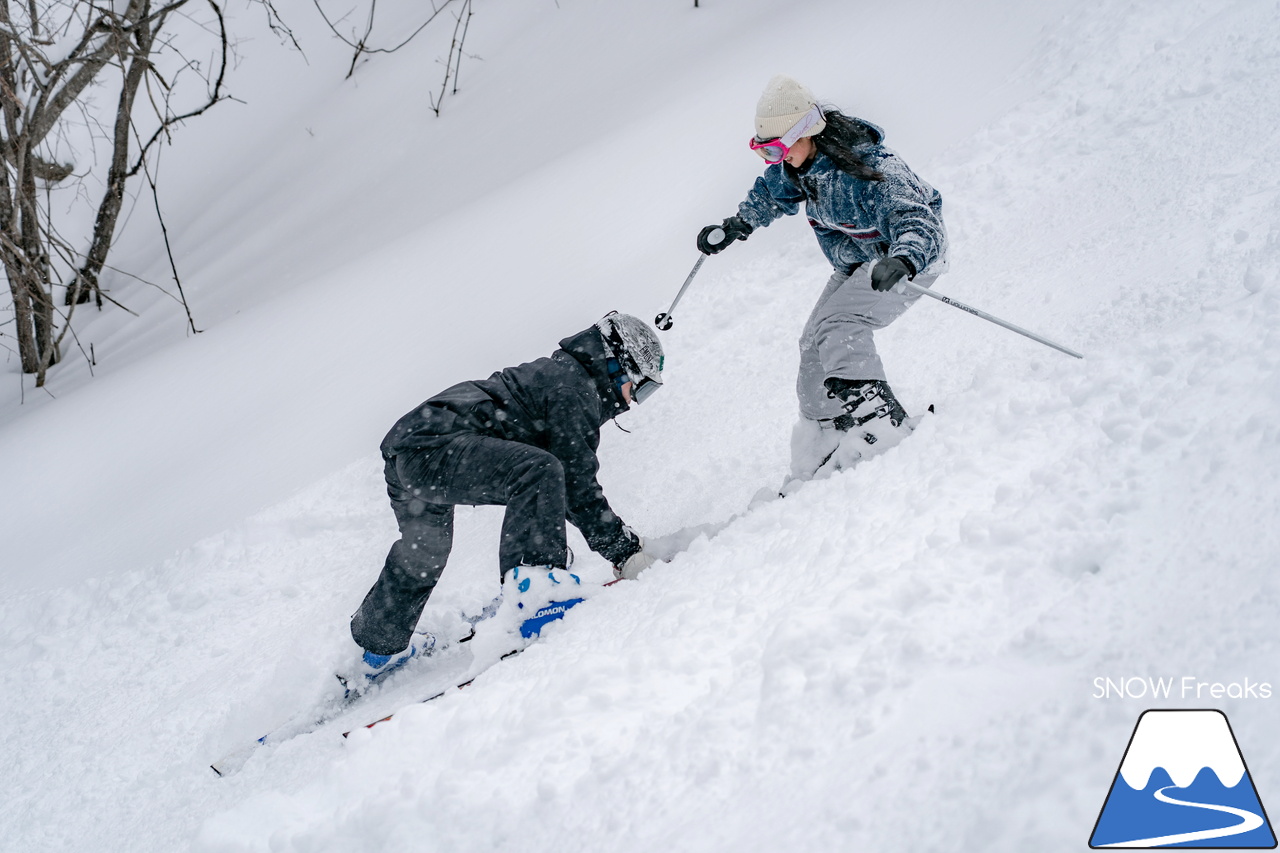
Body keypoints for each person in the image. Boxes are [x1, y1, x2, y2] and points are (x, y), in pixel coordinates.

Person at [348, 312, 663, 683]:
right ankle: (535, 594)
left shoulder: (561, 376)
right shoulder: (574, 389)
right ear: (617, 364)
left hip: (409, 452)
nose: (635, 402)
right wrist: (625, 553)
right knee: (540, 470)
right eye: (641, 389)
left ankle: (378, 648)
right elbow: (577, 487)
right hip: (434, 447)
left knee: (426, 549)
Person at [698, 75, 948, 481]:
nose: (775, 159)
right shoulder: (798, 165)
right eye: (764, 151)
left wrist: (905, 258)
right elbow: (770, 193)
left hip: (906, 262)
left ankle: (881, 424)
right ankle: (830, 432)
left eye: (778, 148)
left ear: (806, 132)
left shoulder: (871, 168)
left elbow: (917, 219)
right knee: (814, 340)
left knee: (839, 326)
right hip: (859, 263)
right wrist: (736, 225)